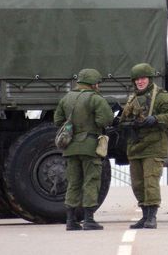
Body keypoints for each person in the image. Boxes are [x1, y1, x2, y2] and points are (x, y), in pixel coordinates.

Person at [121, 63, 168, 229]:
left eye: (143, 78)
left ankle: (151, 217)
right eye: (137, 79)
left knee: (150, 181)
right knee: (137, 184)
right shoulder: (132, 98)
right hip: (135, 146)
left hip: (154, 145)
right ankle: (145, 215)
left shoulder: (161, 96)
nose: (140, 82)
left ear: (150, 79)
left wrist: (156, 119)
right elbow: (126, 119)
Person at [54, 68, 113, 231]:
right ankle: (88, 219)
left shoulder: (67, 98)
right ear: (94, 84)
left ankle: (71, 220)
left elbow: (58, 120)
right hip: (90, 146)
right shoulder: (95, 99)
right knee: (91, 181)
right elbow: (105, 120)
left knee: (73, 182)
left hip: (70, 147)